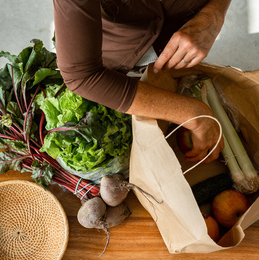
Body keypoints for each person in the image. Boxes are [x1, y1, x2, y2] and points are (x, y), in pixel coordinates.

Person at [53, 0, 231, 163]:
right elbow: (82, 75)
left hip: (184, 50)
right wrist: (194, 115)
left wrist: (213, 15)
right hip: (111, 69)